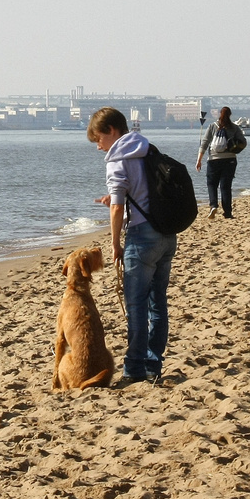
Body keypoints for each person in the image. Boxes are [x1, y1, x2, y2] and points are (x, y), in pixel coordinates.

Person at [89, 107, 175, 387]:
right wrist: (114, 200)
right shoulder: (148, 148)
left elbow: (118, 207)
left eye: (99, 139)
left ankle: (135, 367)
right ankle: (154, 363)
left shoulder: (117, 159)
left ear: (112, 130)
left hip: (141, 237)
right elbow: (142, 192)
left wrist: (114, 244)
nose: (99, 146)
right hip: (166, 232)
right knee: (157, 300)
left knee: (135, 304)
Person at [196, 106, 241, 219]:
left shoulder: (212, 126)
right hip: (230, 160)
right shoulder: (234, 128)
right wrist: (235, 149)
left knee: (212, 184)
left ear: (219, 114)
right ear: (230, 115)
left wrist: (199, 160)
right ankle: (228, 213)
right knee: (226, 187)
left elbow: (204, 143)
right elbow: (243, 142)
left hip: (213, 160)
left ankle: (213, 205)